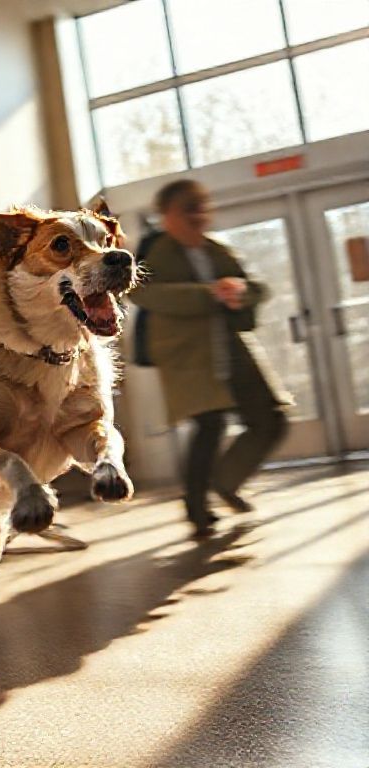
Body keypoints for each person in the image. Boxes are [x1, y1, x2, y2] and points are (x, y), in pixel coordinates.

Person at [129, 179, 290, 538]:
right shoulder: (156, 252)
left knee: (271, 420)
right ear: (167, 215)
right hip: (188, 358)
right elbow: (142, 293)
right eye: (189, 208)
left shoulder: (217, 251)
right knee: (210, 426)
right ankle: (197, 509)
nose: (199, 215)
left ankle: (226, 482)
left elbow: (259, 288)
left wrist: (242, 293)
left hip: (231, 351)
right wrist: (210, 294)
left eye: (202, 206)